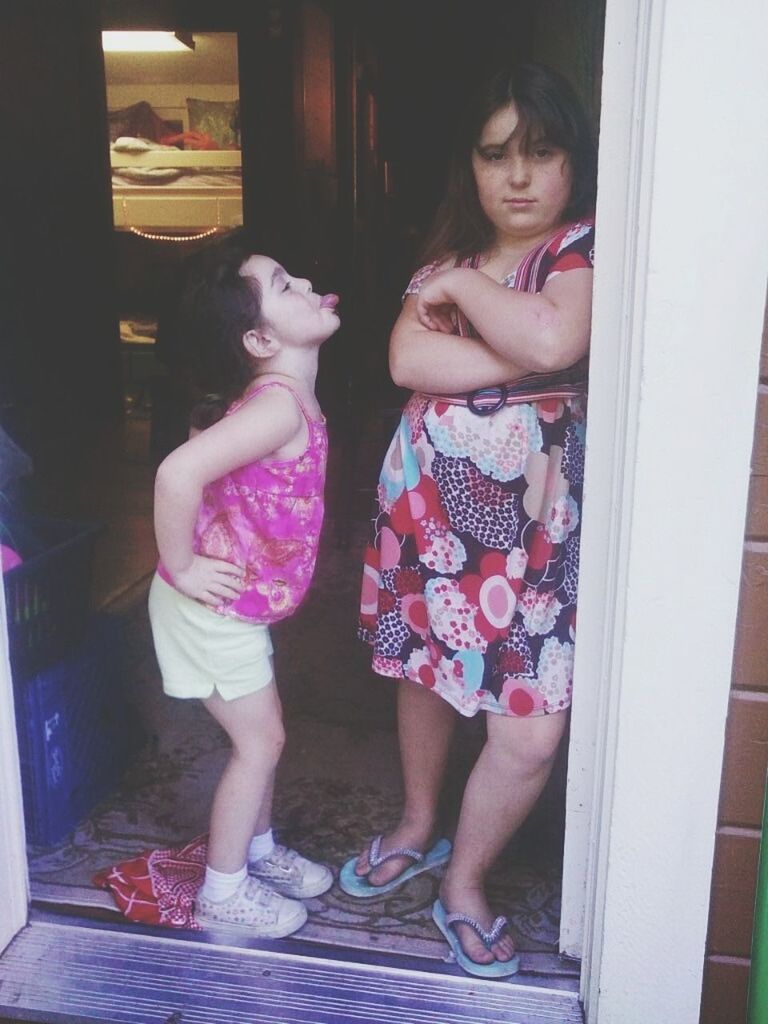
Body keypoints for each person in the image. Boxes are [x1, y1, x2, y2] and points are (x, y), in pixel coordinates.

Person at [341, 63, 597, 978]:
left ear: (576, 161)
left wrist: (476, 311)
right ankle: (419, 822)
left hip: (536, 533)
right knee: (426, 670)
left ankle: (467, 882)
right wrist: (512, 353)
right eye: (497, 156)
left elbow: (555, 339)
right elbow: (409, 357)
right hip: (430, 517)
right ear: (471, 167)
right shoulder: (448, 257)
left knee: (528, 728)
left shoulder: (580, 249)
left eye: (542, 152)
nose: (518, 177)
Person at [148, 232, 341, 936]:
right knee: (261, 742)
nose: (308, 280)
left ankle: (257, 853)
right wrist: (184, 566)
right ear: (260, 339)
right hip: (209, 606)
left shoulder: (282, 396)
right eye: (286, 284)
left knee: (263, 736)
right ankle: (224, 892)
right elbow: (177, 474)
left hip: (232, 606)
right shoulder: (277, 407)